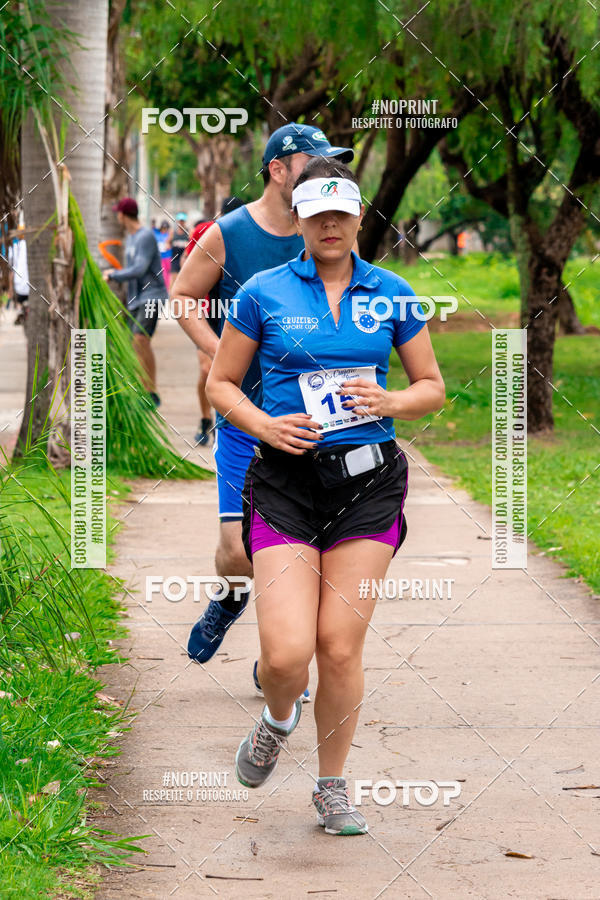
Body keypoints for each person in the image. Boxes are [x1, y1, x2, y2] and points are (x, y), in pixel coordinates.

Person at [206, 157, 445, 835]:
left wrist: (391, 399)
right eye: (317, 214)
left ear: (359, 215)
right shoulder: (263, 292)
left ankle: (332, 786)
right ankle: (277, 719)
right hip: (285, 483)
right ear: (299, 219)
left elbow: (431, 387)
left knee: (338, 647)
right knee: (286, 656)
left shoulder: (393, 293)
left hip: (367, 485)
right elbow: (221, 384)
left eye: (342, 213)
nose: (330, 225)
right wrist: (264, 425)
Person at [171, 125, 354, 668]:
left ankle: (281, 655)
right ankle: (230, 601)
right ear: (277, 170)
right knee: (237, 551)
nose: (324, 172)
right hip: (245, 414)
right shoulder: (227, 233)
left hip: (316, 422)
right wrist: (218, 352)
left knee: (308, 551)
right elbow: (183, 295)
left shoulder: (327, 232)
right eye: (312, 162)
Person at [103, 197, 166, 407]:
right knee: (135, 343)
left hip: (152, 296)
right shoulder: (131, 239)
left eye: (118, 213)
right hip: (136, 299)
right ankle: (143, 389)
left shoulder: (145, 236)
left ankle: (151, 391)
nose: (117, 217)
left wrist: (114, 275)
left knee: (140, 339)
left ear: (123, 215)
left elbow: (139, 269)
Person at [7, 224, 29, 326]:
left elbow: (11, 267)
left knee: (20, 301)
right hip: (29, 282)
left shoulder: (13, 248)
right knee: (26, 300)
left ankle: (20, 311)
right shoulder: (30, 246)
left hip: (19, 282)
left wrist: (10, 287)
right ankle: (24, 310)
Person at [169, 213, 189, 280]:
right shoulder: (172, 232)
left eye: (182, 221)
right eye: (180, 221)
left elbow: (192, 243)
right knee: (174, 280)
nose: (181, 223)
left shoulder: (189, 232)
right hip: (175, 259)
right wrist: (169, 246)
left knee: (184, 279)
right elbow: (167, 242)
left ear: (185, 222)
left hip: (185, 259)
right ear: (177, 222)